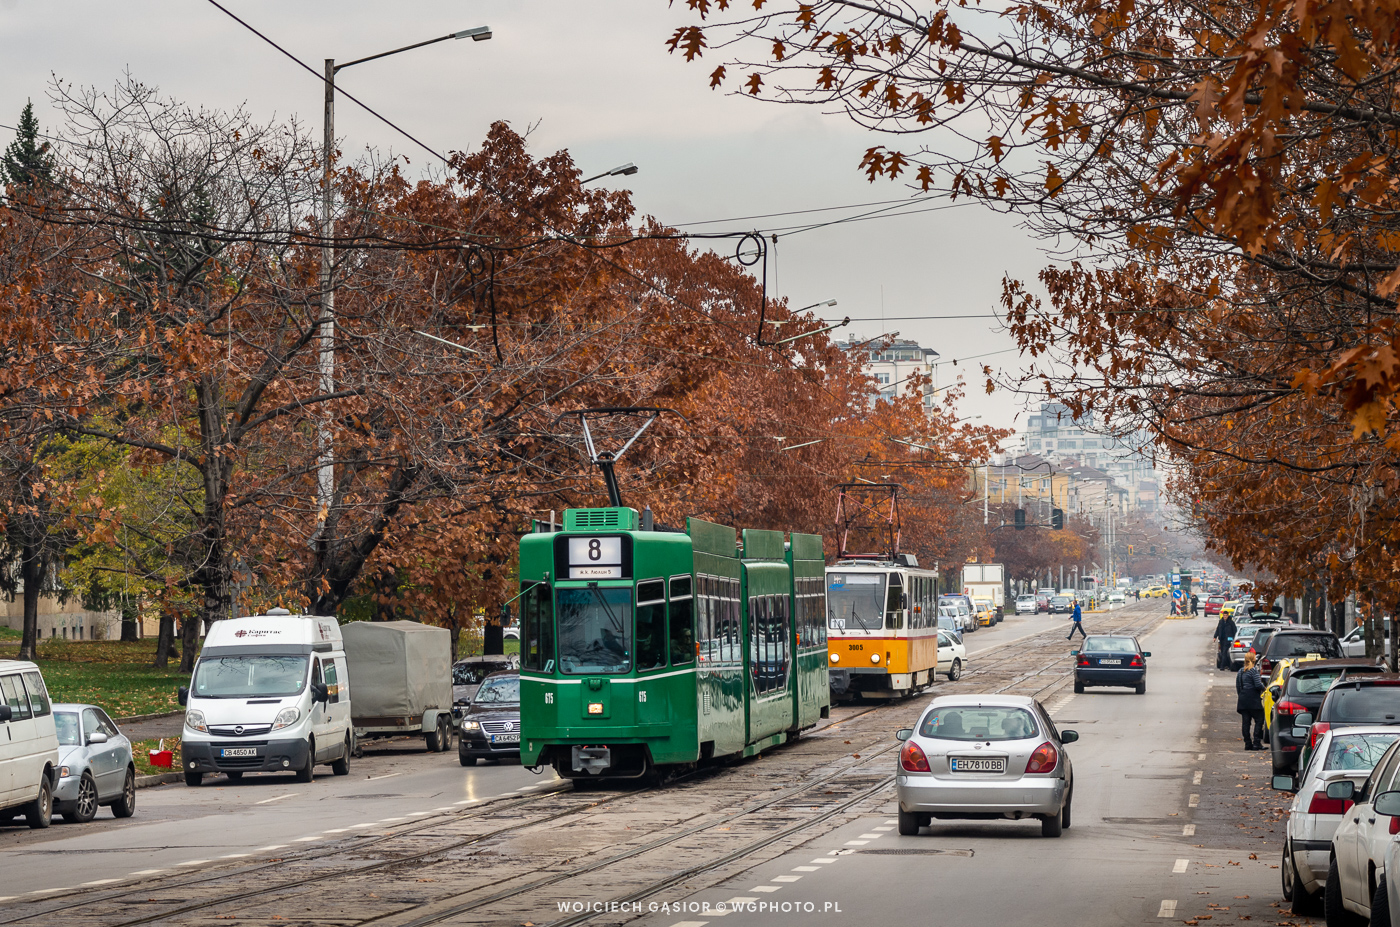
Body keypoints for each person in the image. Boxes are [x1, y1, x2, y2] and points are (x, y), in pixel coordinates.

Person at [1236, 652, 1267, 750]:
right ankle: (1256, 743)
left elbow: (1238, 686)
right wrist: (1264, 688)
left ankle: (1247, 743)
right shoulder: (1254, 670)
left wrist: (1242, 695)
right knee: (1259, 719)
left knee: (1246, 722)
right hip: (1253, 699)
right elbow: (1258, 684)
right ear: (1254, 660)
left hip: (1243, 699)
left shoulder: (1240, 671)